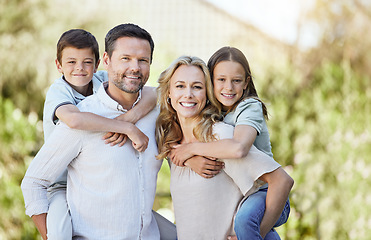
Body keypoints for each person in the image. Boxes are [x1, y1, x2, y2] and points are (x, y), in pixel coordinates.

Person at [21, 23, 175, 239]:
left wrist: (129, 119)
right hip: (60, 186)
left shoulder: (156, 110)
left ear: (96, 65)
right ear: (107, 60)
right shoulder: (79, 114)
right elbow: (34, 182)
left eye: (143, 60)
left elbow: (156, 93)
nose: (135, 67)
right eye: (126, 58)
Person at [156, 56, 293, 240]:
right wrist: (188, 157)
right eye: (180, 86)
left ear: (207, 94)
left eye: (197, 87)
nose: (188, 94)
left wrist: (257, 233)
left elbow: (281, 181)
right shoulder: (173, 143)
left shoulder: (220, 136)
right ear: (168, 93)